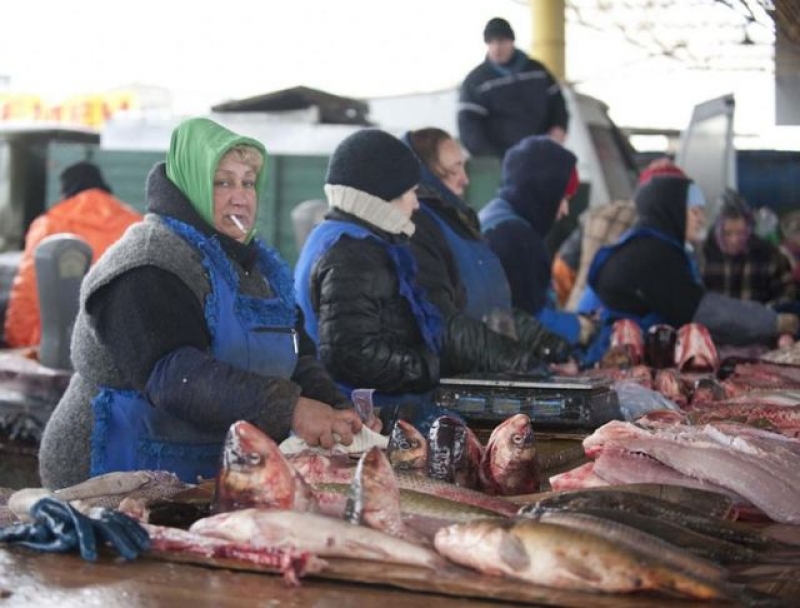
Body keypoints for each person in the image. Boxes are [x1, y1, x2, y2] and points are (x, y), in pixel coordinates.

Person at [39, 118, 364, 490]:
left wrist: (336, 409)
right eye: (222, 182)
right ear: (190, 183)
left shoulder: (257, 270)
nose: (240, 196)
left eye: (247, 182)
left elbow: (298, 355)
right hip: (114, 474)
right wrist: (292, 409)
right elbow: (175, 377)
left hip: (202, 471)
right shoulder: (148, 261)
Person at [295, 129, 458, 431]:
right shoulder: (351, 253)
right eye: (410, 192)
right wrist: (432, 367)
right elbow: (351, 354)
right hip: (358, 426)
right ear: (383, 196)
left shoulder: (348, 239)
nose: (416, 204)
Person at [402, 127, 572, 370]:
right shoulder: (420, 229)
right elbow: (445, 324)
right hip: (454, 382)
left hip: (483, 372)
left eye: (464, 167)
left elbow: (493, 308)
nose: (465, 178)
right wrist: (524, 364)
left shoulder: (458, 223)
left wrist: (548, 345)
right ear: (426, 173)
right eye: (454, 169)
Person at [585, 172, 799, 363]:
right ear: (673, 211)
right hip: (613, 357)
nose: (701, 219)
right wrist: (773, 321)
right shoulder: (651, 254)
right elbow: (700, 310)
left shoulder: (652, 245)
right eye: (694, 211)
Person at [3, 162, 142, 348]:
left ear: (65, 191)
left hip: (61, 346)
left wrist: (21, 341)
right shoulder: (136, 223)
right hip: (123, 345)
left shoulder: (50, 224)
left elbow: (29, 287)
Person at [479, 135, 594, 347]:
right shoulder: (516, 237)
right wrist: (579, 327)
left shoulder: (493, 216)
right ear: (542, 192)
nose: (564, 211)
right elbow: (530, 319)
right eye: (563, 199)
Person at [458, 17, 569, 157]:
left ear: (512, 41)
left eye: (501, 41)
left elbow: (558, 103)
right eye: (491, 42)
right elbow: (468, 124)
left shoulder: (537, 71)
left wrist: (559, 128)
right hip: (503, 161)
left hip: (543, 153)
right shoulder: (476, 81)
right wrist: (489, 157)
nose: (496, 48)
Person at [700, 189, 795, 307]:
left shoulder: (769, 255)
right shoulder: (702, 257)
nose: (734, 240)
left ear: (749, 229)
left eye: (740, 233)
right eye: (727, 233)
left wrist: (766, 315)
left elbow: (786, 294)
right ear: (717, 231)